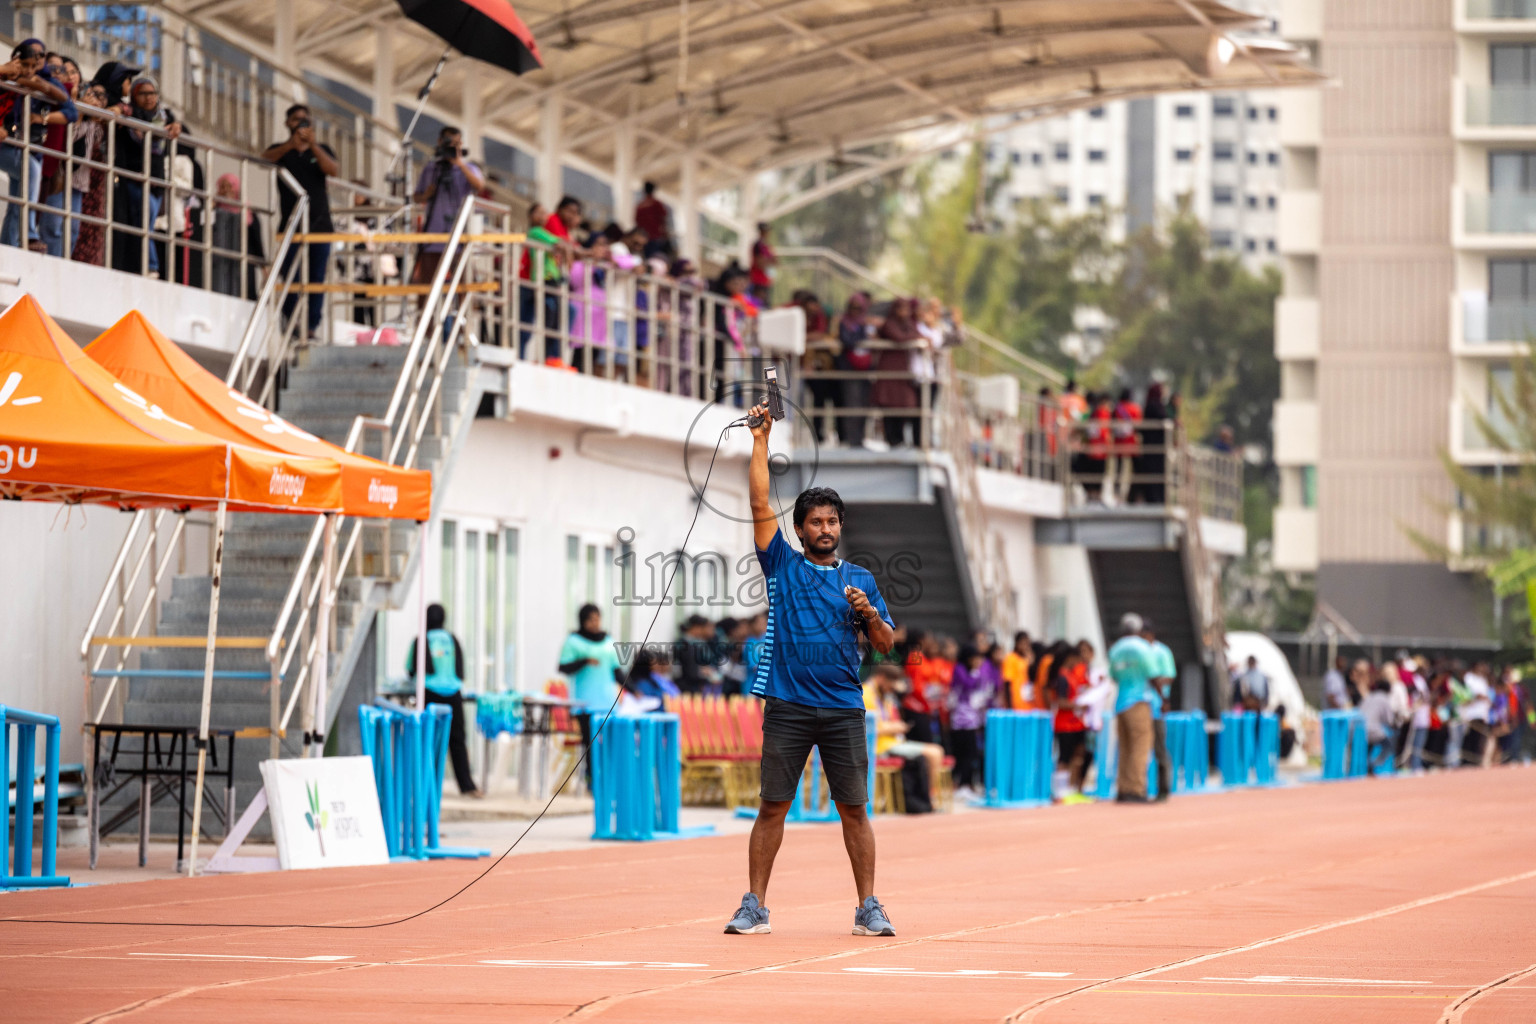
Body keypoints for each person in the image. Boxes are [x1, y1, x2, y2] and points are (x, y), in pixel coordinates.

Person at [726, 401, 897, 939]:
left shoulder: (862, 579)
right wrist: (761, 440)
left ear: (840, 526)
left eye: (831, 521)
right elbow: (758, 503)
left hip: (844, 708)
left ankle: (869, 907)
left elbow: (887, 646)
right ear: (799, 530)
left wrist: (869, 615)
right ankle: (754, 905)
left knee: (854, 811)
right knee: (773, 806)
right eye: (814, 522)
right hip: (788, 707)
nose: (824, 528)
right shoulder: (781, 563)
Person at [263, 103, 339, 337]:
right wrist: (290, 145)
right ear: (287, 123)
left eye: (305, 120)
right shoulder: (281, 149)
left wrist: (312, 145)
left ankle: (312, 325)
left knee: (317, 277)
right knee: (289, 275)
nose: (301, 124)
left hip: (320, 223)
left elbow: (333, 170)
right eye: (296, 120)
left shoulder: (322, 149)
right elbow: (264, 159)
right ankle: (291, 320)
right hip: (290, 222)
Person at [1, 40, 74, 251]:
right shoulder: (7, 74)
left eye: (36, 64)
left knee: (19, 198)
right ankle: (29, 234)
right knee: (31, 170)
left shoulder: (45, 81)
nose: (30, 69)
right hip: (9, 144)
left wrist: (42, 115)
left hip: (25, 146)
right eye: (26, 64)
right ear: (16, 59)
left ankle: (8, 246)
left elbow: (68, 107)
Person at [405, 603, 481, 797]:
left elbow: (411, 670)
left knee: (427, 739)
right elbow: (460, 670)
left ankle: (424, 786)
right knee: (457, 741)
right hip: (454, 695)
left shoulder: (421, 640)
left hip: (429, 693)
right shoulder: (452, 639)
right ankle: (467, 786)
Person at [412, 126, 484, 287]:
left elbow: (479, 186)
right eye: (449, 143)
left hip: (459, 236)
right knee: (426, 284)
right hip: (432, 237)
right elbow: (416, 196)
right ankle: (425, 313)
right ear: (440, 143)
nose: (453, 147)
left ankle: (462, 313)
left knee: (462, 283)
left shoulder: (468, 168)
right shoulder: (431, 169)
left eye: (457, 143)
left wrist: (459, 164)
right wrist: (426, 195)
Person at [1108, 613, 1158, 803]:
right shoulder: (1143, 647)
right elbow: (1153, 674)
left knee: (1125, 747)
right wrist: (1162, 697)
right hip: (1138, 700)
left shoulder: (1115, 649)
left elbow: (1113, 675)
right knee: (1140, 745)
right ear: (1138, 630)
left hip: (1121, 702)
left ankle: (1123, 788)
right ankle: (1136, 789)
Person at [68, 79, 110, 265]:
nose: (95, 101)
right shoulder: (75, 118)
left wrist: (95, 117)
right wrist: (80, 113)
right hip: (64, 178)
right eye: (91, 95)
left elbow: (100, 145)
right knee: (55, 228)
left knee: (73, 230)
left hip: (81, 182)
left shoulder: (94, 125)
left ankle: (66, 263)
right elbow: (70, 137)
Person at [873, 297, 922, 447]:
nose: (904, 312)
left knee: (903, 405)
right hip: (889, 371)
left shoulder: (909, 324)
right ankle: (891, 439)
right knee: (889, 405)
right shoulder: (889, 324)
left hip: (903, 374)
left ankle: (900, 439)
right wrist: (916, 337)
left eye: (907, 309)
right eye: (901, 309)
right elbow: (899, 338)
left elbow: (914, 333)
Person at [947, 646, 994, 797]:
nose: (979, 662)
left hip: (973, 718)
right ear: (969, 659)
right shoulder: (960, 669)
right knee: (965, 752)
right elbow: (969, 684)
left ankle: (967, 783)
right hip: (961, 720)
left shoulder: (977, 670)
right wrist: (977, 673)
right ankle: (962, 784)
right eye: (976, 659)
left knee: (971, 752)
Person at [835, 292, 876, 447]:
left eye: (859, 309)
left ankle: (859, 439)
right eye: (853, 308)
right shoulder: (845, 323)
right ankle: (851, 439)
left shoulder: (866, 324)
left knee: (864, 404)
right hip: (849, 369)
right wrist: (863, 337)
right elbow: (847, 341)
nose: (855, 311)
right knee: (851, 403)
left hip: (865, 370)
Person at [1141, 621, 1176, 801]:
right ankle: (1141, 789)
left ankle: (1163, 789)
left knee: (1159, 748)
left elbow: (1169, 676)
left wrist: (1161, 694)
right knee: (1140, 750)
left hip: (1156, 706)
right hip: (1139, 706)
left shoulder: (1162, 651)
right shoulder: (1137, 651)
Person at [1361, 678, 1395, 775]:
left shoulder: (1369, 696)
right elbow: (1389, 720)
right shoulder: (1384, 699)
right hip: (1374, 730)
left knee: (1368, 748)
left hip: (1360, 729)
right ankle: (1374, 764)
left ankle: (1368, 768)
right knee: (1388, 746)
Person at [634, 180, 670, 257]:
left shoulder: (640, 205)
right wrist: (664, 234)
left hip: (643, 238)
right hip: (655, 237)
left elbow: (637, 221)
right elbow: (663, 219)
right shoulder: (656, 203)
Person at [1001, 630, 1034, 710]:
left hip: (1029, 703)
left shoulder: (1028, 658)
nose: (1025, 646)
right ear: (1017, 643)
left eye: (1027, 643)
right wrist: (1010, 706)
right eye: (1023, 643)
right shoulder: (1011, 658)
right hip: (1016, 703)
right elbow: (1007, 683)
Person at [749, 221, 775, 304]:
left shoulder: (767, 245)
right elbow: (760, 263)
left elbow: (775, 261)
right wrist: (768, 261)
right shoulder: (758, 245)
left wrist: (767, 261)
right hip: (758, 280)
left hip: (766, 280)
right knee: (759, 304)